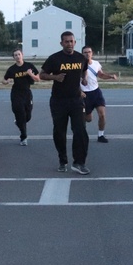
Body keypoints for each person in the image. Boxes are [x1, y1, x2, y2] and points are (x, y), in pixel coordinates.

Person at [40, 31, 90, 174]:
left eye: (71, 41)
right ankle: (63, 160)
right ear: (61, 43)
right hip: (58, 101)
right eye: (66, 41)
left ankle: (79, 162)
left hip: (76, 100)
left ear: (75, 42)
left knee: (80, 131)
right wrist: (55, 77)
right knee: (59, 132)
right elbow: (41, 75)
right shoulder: (54, 59)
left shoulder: (81, 58)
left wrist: (83, 79)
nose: (69, 44)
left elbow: (84, 70)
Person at [80, 45, 119, 142]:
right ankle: (81, 129)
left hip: (96, 92)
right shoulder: (79, 66)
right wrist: (79, 91)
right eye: (85, 52)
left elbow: (100, 74)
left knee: (102, 115)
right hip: (84, 94)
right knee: (88, 119)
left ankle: (100, 135)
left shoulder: (96, 63)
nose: (87, 54)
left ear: (92, 53)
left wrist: (110, 76)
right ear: (82, 54)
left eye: (89, 52)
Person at [3, 49, 40, 146]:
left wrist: (30, 74)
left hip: (27, 93)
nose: (18, 56)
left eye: (19, 54)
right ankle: (23, 137)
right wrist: (7, 82)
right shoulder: (12, 69)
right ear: (14, 57)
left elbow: (38, 79)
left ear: (22, 55)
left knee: (27, 116)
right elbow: (4, 80)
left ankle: (19, 121)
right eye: (15, 55)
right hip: (16, 93)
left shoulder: (29, 66)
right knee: (21, 114)